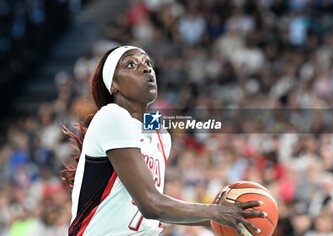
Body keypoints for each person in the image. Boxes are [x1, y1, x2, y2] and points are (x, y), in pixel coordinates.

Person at [61, 45, 267, 236]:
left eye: (148, 63)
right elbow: (151, 204)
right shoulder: (112, 115)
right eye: (131, 64)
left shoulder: (159, 131)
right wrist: (215, 212)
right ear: (113, 84)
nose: (146, 69)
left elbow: (156, 211)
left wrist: (230, 216)